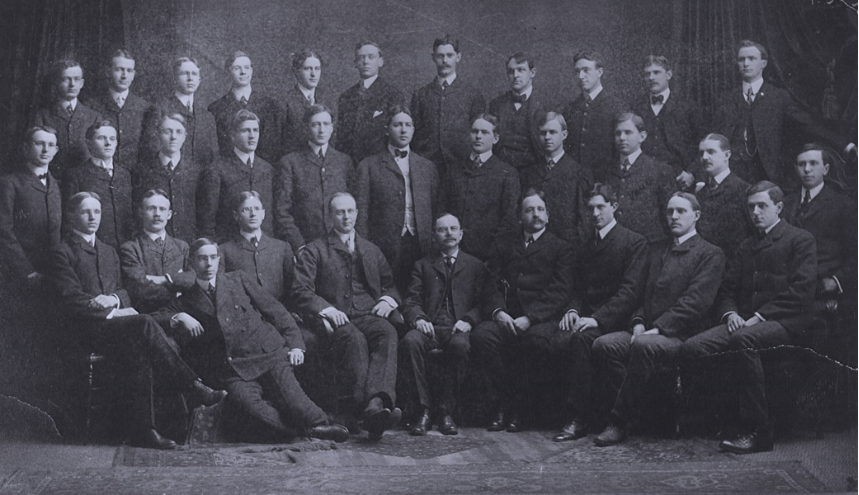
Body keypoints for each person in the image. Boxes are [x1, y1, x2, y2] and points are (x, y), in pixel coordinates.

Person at [51, 192, 226, 449]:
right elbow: (70, 297)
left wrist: (114, 299)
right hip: (84, 331)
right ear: (72, 215)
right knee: (144, 323)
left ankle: (145, 431)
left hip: (114, 329)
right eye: (85, 212)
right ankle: (193, 386)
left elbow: (125, 291)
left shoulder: (108, 251)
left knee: (142, 348)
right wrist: (113, 312)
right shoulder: (61, 252)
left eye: (96, 212)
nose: (92, 217)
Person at [152, 238, 349, 443]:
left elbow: (276, 312)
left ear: (218, 260)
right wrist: (179, 316)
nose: (209, 264)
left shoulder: (238, 279)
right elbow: (154, 317)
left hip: (269, 354)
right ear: (192, 262)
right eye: (202, 258)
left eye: (213, 257)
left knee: (299, 406)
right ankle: (308, 432)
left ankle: (317, 423)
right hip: (234, 370)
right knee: (257, 414)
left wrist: (296, 345)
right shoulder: (186, 299)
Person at [680, 181, 817, 454]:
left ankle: (759, 432)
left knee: (744, 340)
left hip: (787, 321)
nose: (755, 212)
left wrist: (759, 316)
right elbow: (727, 289)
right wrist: (730, 313)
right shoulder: (746, 246)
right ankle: (723, 419)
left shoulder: (800, 240)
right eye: (751, 207)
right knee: (694, 347)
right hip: (743, 321)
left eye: (762, 206)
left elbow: (801, 291)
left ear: (779, 207)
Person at [591, 192, 725, 446]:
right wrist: (638, 322)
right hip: (647, 329)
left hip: (682, 334)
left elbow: (695, 302)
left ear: (696, 216)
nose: (674, 216)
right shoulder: (657, 251)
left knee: (644, 345)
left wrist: (659, 329)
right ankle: (640, 415)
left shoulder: (710, 253)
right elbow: (641, 294)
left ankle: (619, 422)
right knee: (604, 345)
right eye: (670, 211)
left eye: (681, 211)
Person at [291, 192, 402, 440]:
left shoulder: (371, 249)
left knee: (387, 331)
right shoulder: (315, 250)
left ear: (357, 214)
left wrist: (387, 300)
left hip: (367, 313)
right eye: (340, 212)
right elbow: (300, 290)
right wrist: (326, 309)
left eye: (350, 211)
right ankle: (365, 410)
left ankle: (376, 402)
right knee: (354, 339)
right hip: (335, 319)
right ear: (330, 216)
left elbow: (390, 285)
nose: (346, 217)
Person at [549, 183, 648, 442]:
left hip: (619, 319)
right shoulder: (585, 246)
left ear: (614, 207)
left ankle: (577, 419)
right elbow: (578, 289)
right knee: (556, 339)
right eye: (590, 208)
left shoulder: (633, 242)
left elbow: (631, 292)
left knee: (582, 340)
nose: (595, 213)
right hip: (588, 317)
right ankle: (560, 414)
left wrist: (597, 318)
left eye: (600, 207)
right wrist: (572, 309)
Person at [471, 189, 574, 432]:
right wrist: (499, 312)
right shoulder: (503, 246)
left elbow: (560, 290)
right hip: (507, 316)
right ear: (520, 217)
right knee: (482, 336)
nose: (535, 214)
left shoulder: (561, 247)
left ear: (548, 215)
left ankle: (520, 409)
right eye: (529, 210)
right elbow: (491, 283)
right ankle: (500, 405)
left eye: (540, 209)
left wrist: (530, 317)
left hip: (542, 319)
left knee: (534, 343)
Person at [400, 213, 500, 436]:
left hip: (458, 327)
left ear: (461, 234)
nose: (449, 234)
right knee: (410, 341)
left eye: (453, 229)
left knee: (460, 346)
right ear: (434, 236)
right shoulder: (422, 265)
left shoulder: (475, 266)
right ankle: (424, 410)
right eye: (442, 230)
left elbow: (483, 302)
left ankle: (446, 411)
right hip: (431, 327)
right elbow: (411, 300)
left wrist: (469, 320)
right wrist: (419, 318)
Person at [713, 40, 854, 188]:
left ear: (763, 63)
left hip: (767, 176)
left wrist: (845, 145)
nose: (746, 63)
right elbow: (713, 138)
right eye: (741, 59)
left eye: (751, 58)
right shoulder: (727, 98)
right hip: (732, 176)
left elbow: (809, 124)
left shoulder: (778, 97)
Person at [783, 144, 857, 363]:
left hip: (824, 290)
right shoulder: (785, 203)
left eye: (813, 164)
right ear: (796, 168)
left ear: (825, 169)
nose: (807, 169)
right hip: (788, 288)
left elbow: (855, 253)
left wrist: (837, 280)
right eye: (802, 164)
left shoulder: (843, 205)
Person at [355, 106, 441, 293]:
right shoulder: (368, 166)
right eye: (398, 125)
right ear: (387, 130)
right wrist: (365, 249)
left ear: (413, 130)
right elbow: (361, 214)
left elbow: (436, 210)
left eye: (408, 125)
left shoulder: (427, 167)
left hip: (421, 244)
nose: (403, 130)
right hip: (385, 245)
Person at [275, 104, 353, 253]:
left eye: (326, 124)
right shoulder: (290, 162)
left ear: (332, 128)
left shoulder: (344, 161)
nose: (322, 130)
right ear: (306, 127)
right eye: (316, 125)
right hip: (306, 246)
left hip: (341, 246)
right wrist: (299, 245)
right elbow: (282, 211)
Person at [445, 114, 520, 261]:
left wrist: (493, 256)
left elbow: (509, 220)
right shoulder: (453, 171)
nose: (478, 136)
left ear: (496, 138)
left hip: (488, 257)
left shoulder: (507, 173)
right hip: (454, 253)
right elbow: (443, 209)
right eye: (475, 131)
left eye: (485, 132)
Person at [410, 35, 485, 179]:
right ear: (433, 58)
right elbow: (414, 135)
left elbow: (479, 135)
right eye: (440, 56)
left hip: (462, 169)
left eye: (449, 55)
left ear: (458, 57)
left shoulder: (472, 94)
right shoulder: (420, 95)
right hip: (427, 169)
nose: (445, 61)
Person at [0, 127, 62, 289]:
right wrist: (26, 271)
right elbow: (4, 232)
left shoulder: (57, 185)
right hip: (21, 273)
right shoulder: (10, 183)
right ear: (26, 147)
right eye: (39, 143)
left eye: (50, 145)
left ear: (56, 151)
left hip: (55, 272)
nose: (45, 149)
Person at [199, 109, 276, 241]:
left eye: (255, 130)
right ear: (233, 135)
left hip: (264, 245)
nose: (252, 136)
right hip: (229, 245)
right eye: (245, 130)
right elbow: (207, 220)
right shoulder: (216, 170)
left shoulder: (267, 169)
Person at [133, 111, 206, 243]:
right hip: (153, 242)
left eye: (179, 132)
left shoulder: (196, 171)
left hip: (188, 241)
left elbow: (203, 213)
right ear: (158, 134)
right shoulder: (143, 170)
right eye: (167, 132)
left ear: (185, 137)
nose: (173, 137)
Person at [521, 111, 592, 245]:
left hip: (567, 247)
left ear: (564, 135)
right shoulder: (529, 173)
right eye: (543, 133)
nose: (547, 137)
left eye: (552, 132)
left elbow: (585, 222)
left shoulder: (579, 173)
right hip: (535, 246)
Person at [605, 113, 676, 246]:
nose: (622, 138)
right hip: (614, 246)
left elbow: (669, 215)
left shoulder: (660, 170)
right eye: (618, 133)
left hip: (650, 246)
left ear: (642, 137)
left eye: (628, 132)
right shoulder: (606, 171)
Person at [120, 189, 196, 313]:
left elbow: (194, 278)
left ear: (169, 214)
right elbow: (140, 289)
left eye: (162, 209)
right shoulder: (130, 248)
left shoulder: (182, 246)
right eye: (151, 208)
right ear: (141, 213)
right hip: (149, 315)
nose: (157, 214)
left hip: (184, 314)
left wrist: (164, 279)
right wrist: (177, 292)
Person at [634, 55, 703, 191]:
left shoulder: (687, 106)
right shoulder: (636, 107)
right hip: (643, 178)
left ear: (669, 75)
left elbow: (701, 144)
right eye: (647, 74)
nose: (651, 78)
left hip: (678, 179)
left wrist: (691, 173)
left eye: (656, 72)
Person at [62, 120, 133, 250]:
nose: (108, 143)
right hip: (94, 249)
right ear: (89, 143)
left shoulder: (125, 174)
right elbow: (69, 220)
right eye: (101, 138)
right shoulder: (76, 175)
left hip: (127, 248)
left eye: (112, 139)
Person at [335, 40, 405, 163]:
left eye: (371, 57)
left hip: (379, 165)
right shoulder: (346, 97)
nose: (366, 61)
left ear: (380, 62)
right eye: (361, 58)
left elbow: (397, 137)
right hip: (350, 165)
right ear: (355, 63)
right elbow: (341, 139)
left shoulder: (393, 95)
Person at [208, 51, 284, 162]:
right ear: (228, 71)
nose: (243, 72)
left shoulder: (270, 105)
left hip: (264, 168)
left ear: (251, 70)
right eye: (237, 68)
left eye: (247, 67)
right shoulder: (216, 108)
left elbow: (272, 145)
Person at [33, 59, 102, 182]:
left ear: (82, 83)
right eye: (66, 79)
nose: (72, 84)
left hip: (85, 182)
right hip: (52, 181)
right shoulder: (43, 115)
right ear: (56, 82)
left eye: (76, 79)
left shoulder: (93, 117)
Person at [220, 191, 294, 304]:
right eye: (246, 209)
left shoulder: (282, 248)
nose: (253, 214)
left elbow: (293, 290)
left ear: (263, 214)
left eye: (257, 209)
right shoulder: (224, 250)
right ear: (236, 216)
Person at [562, 51, 625, 181]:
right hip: (574, 181)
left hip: (605, 180)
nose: (581, 76)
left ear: (599, 72)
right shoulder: (570, 109)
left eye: (586, 70)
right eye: (577, 71)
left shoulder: (616, 107)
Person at [144, 56, 217, 166]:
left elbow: (214, 157)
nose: (190, 78)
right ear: (175, 79)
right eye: (184, 73)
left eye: (194, 74)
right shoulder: (159, 109)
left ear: (199, 80)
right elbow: (152, 150)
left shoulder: (207, 116)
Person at [85, 49, 149, 173]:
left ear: (133, 75)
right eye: (119, 70)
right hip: (99, 173)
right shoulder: (91, 105)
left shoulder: (144, 107)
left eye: (129, 71)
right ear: (108, 71)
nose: (124, 76)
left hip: (134, 174)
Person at [694, 134, 752, 259]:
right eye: (701, 153)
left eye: (711, 152)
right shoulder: (700, 193)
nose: (704, 157)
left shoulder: (744, 190)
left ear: (727, 155)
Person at [488, 52, 547, 173]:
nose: (515, 75)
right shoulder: (496, 104)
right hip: (501, 170)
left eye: (521, 70)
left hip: (535, 170)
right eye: (511, 71)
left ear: (532, 73)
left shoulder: (546, 104)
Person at [282, 50, 328, 155]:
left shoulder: (327, 99)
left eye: (317, 69)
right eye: (307, 69)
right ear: (296, 71)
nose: (313, 74)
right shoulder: (285, 102)